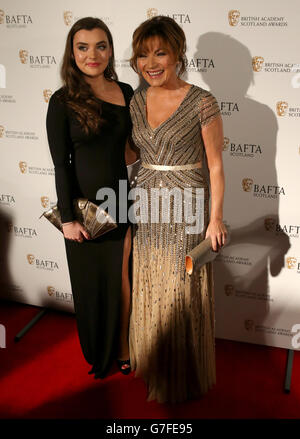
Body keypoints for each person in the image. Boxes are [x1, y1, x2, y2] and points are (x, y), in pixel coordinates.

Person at [129, 16, 227, 403]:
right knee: (151, 285)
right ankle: (155, 363)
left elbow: (216, 165)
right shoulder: (136, 100)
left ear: (177, 55)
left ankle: (181, 372)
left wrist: (215, 218)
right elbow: (133, 153)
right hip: (147, 203)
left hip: (186, 206)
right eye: (143, 55)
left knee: (179, 292)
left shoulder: (203, 101)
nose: (151, 63)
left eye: (160, 53)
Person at [46, 17, 134, 378]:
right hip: (82, 211)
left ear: (110, 50)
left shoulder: (127, 91)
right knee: (91, 284)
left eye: (100, 45)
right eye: (83, 47)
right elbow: (61, 165)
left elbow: (130, 150)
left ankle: (125, 346)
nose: (92, 54)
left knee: (122, 279)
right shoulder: (62, 100)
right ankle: (99, 350)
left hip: (119, 199)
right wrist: (68, 219)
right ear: (72, 52)